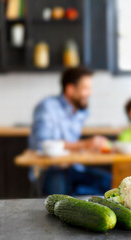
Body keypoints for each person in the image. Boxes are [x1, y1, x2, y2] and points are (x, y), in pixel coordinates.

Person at [29, 67, 111, 195]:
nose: (89, 93)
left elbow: (71, 145)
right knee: (60, 201)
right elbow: (42, 144)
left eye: (90, 88)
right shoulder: (48, 107)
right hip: (50, 170)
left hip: (74, 167)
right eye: (85, 88)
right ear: (70, 89)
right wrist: (86, 144)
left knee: (110, 183)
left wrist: (91, 147)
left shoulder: (80, 111)